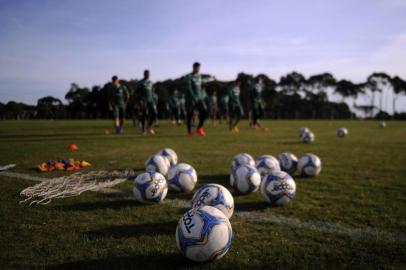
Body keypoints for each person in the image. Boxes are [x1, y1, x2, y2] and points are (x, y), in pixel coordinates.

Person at [184, 62, 208, 136]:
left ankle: (199, 128)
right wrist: (194, 97)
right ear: (193, 67)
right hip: (191, 99)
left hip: (199, 98)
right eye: (197, 67)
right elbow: (189, 88)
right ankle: (189, 132)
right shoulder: (189, 76)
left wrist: (202, 96)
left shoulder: (199, 76)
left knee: (205, 112)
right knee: (190, 115)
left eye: (199, 68)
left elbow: (200, 88)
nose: (198, 69)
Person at [136, 70, 156, 134]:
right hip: (143, 100)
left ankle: (149, 127)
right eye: (146, 74)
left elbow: (152, 91)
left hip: (151, 100)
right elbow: (137, 92)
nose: (148, 75)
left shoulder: (151, 82)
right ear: (144, 74)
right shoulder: (140, 82)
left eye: (148, 74)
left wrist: (154, 100)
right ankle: (143, 129)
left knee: (154, 114)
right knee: (144, 115)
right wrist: (140, 100)